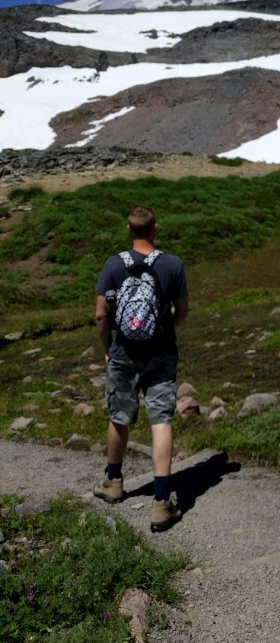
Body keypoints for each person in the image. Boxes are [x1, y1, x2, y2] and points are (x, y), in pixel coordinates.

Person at [93, 204, 189, 532]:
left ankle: (113, 482)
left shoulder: (113, 264)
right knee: (160, 421)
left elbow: (101, 315)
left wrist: (108, 349)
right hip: (162, 354)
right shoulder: (173, 265)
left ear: (129, 230)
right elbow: (182, 311)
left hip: (123, 354)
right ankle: (161, 504)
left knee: (119, 417)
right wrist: (166, 332)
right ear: (155, 228)